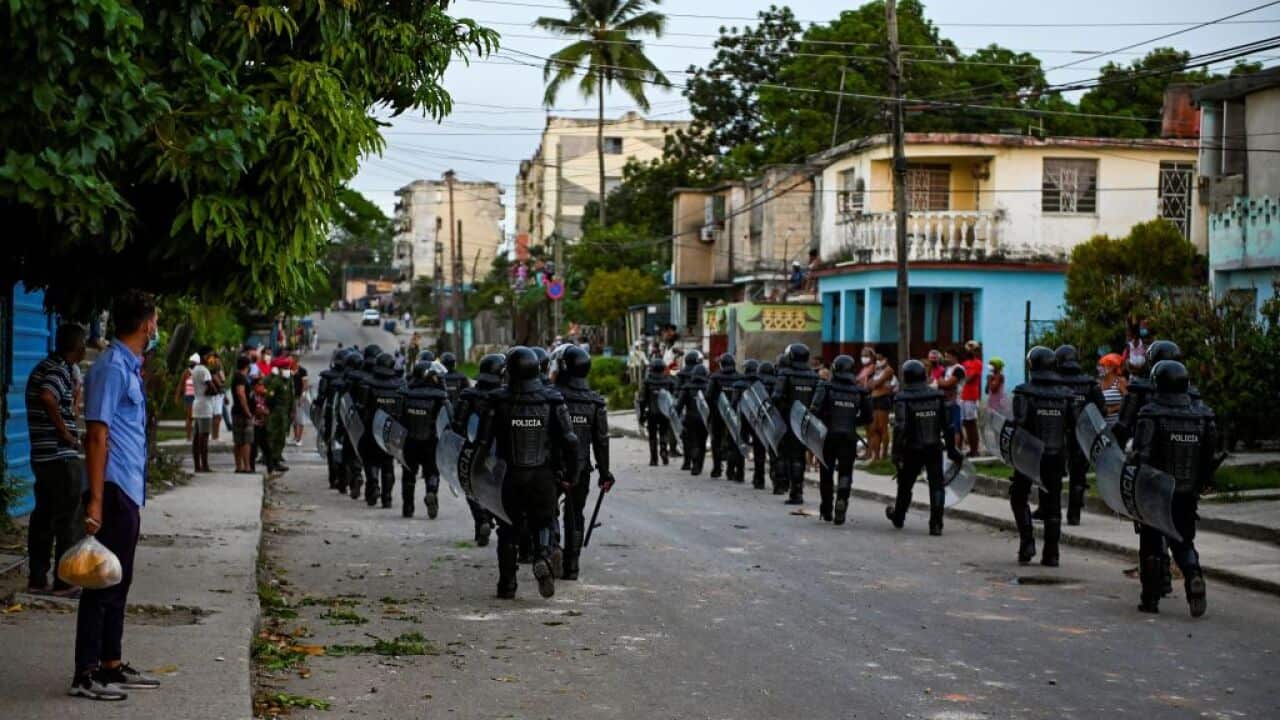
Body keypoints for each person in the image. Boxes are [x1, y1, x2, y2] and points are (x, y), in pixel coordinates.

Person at [73, 290, 163, 701]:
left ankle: (111, 664)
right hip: (109, 487)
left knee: (118, 578)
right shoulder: (110, 368)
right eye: (156, 321)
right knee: (100, 582)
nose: (156, 328)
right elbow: (96, 435)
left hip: (126, 487)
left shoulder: (128, 367)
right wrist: (94, 499)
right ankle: (86, 674)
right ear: (146, 324)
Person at [473, 347, 578, 599]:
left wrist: (476, 474)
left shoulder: (497, 400)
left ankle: (507, 585)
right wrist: (571, 475)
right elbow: (570, 440)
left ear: (508, 370)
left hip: (509, 476)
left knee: (508, 528)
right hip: (542, 476)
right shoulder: (553, 399)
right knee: (543, 520)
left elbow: (482, 442)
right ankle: (542, 556)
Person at [1133, 360, 1217, 617]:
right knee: (1183, 540)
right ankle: (1193, 576)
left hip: (1155, 490)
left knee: (1151, 542)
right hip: (1186, 492)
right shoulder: (1203, 416)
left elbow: (1142, 455)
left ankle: (1151, 598)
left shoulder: (1151, 413)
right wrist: (1202, 482)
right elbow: (1208, 458)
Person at [26, 322, 88, 598]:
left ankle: (38, 579)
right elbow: (47, 397)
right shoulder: (57, 369)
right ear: (78, 346)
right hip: (60, 456)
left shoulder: (46, 367)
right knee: (68, 520)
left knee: (44, 518)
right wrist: (66, 434)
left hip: (43, 456)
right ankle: (64, 581)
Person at [1009, 347, 1074, 567]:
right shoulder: (1067, 395)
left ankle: (1027, 543)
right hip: (1056, 455)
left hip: (1029, 454)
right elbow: (1075, 427)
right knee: (1053, 503)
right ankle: (1052, 553)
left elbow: (1019, 422)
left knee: (1019, 497)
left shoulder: (1024, 392)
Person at [552, 346, 613, 580]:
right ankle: (572, 566)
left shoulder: (553, 396)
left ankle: (553, 548)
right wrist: (605, 472)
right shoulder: (595, 402)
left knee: (548, 511)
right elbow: (601, 441)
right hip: (581, 467)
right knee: (575, 513)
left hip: (553, 466)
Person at [886, 359, 964, 535]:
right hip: (934, 447)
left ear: (906, 377)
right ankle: (936, 523)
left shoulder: (902, 398)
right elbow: (948, 426)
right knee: (937, 485)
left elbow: (900, 427)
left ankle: (899, 516)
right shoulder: (937, 396)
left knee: (905, 484)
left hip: (912, 449)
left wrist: (896, 453)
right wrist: (952, 449)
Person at [452, 353, 507, 546]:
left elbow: (456, 424)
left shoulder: (468, 395)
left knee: (471, 488)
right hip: (498, 454)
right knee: (495, 489)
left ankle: (481, 520)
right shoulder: (505, 397)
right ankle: (493, 518)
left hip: (471, 450)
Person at [810, 355, 870, 525]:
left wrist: (825, 419)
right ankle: (842, 500)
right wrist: (852, 422)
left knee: (826, 472)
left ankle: (827, 508)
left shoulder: (825, 387)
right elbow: (868, 416)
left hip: (828, 436)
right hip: (849, 437)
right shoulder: (860, 392)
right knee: (845, 472)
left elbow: (814, 410)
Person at [1054, 345, 1105, 526]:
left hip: (1057, 434)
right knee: (1078, 475)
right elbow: (1101, 408)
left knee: (1053, 473)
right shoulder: (1089, 383)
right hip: (1083, 435)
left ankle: (1051, 511)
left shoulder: (1055, 382)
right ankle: (1074, 515)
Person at [398, 359, 449, 518]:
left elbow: (398, 418)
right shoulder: (440, 396)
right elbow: (449, 419)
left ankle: (408, 508)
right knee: (432, 472)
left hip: (410, 442)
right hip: (431, 442)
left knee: (408, 474)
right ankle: (432, 491)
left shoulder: (405, 394)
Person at [772, 343, 819, 505]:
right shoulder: (814, 376)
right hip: (805, 422)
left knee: (782, 453)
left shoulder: (785, 374)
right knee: (799, 456)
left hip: (786, 420)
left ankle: (781, 484)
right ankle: (797, 491)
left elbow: (776, 396)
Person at [362, 353, 402, 507]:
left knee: (371, 461)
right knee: (387, 463)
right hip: (390, 432)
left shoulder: (367, 384)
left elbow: (361, 408)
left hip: (370, 430)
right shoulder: (399, 385)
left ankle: (372, 486)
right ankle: (387, 498)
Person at [734, 359, 767, 489]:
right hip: (758, 420)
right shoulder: (762, 383)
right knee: (760, 449)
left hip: (744, 418)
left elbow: (734, 402)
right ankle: (760, 478)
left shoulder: (739, 384)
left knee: (742, 444)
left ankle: (740, 473)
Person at [706, 353, 739, 478]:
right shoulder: (739, 377)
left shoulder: (715, 377)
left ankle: (717, 468)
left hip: (717, 414)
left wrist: (713, 408)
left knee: (716, 440)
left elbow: (708, 396)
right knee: (732, 441)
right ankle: (731, 471)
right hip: (734, 415)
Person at [638, 358, 674, 466]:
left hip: (651, 413)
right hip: (664, 412)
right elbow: (673, 397)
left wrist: (641, 414)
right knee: (664, 432)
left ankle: (653, 459)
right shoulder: (669, 381)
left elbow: (642, 399)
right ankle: (663, 450)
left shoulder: (647, 381)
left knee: (652, 436)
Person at [677, 365, 711, 475]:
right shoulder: (708, 387)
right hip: (704, 419)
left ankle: (693, 462)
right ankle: (698, 465)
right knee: (702, 442)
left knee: (691, 441)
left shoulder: (687, 387)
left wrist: (676, 416)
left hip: (690, 419)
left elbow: (680, 405)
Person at [760, 357, 784, 493]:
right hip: (785, 421)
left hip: (767, 420)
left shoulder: (782, 380)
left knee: (770, 452)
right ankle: (787, 484)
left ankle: (763, 479)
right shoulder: (778, 381)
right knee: (784, 454)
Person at [264, 362, 293, 474]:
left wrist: (291, 410)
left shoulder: (288, 381)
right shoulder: (276, 382)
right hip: (276, 413)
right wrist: (273, 409)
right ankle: (271, 460)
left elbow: (291, 396)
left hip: (285, 413)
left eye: (288, 368)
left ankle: (276, 459)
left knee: (282, 437)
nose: (287, 370)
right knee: (273, 436)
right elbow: (268, 397)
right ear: (280, 370)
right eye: (285, 368)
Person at [189, 350, 215, 473]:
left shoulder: (195, 370)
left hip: (197, 403)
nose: (212, 359)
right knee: (203, 437)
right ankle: (205, 465)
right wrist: (216, 389)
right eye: (210, 356)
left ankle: (197, 466)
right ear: (205, 357)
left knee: (196, 437)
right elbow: (210, 387)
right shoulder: (205, 371)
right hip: (205, 406)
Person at [867, 353, 895, 462]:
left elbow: (876, 384)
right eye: (876, 359)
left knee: (882, 428)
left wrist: (874, 384)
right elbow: (869, 385)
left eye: (880, 358)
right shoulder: (875, 370)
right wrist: (873, 383)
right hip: (874, 400)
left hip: (883, 400)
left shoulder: (888, 370)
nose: (878, 361)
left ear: (885, 359)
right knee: (873, 428)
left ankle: (884, 455)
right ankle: (876, 456)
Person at [938, 348, 966, 450]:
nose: (946, 359)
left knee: (956, 428)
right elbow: (940, 382)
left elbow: (948, 384)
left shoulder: (958, 369)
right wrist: (942, 383)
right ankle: (952, 448)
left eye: (947, 356)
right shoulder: (946, 369)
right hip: (947, 401)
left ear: (954, 357)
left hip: (957, 402)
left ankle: (956, 449)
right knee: (948, 427)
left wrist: (942, 383)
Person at [231, 355, 254, 473]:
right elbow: (241, 394)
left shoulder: (236, 376)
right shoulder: (241, 378)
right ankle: (246, 466)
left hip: (237, 411)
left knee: (238, 440)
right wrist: (247, 411)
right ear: (247, 366)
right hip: (242, 412)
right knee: (246, 440)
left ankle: (239, 466)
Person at [961, 343, 984, 457]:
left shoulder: (978, 363)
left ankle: (975, 449)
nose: (970, 352)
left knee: (972, 423)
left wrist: (960, 378)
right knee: (966, 423)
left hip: (971, 396)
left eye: (973, 350)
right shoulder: (964, 364)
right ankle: (971, 448)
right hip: (963, 396)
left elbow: (969, 379)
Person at [1099, 353, 1127, 426]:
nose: (1100, 368)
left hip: (1117, 426)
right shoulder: (1098, 384)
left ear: (1112, 367)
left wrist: (1112, 409)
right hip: (1102, 428)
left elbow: (1129, 402)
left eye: (1103, 365)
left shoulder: (1120, 381)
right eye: (1100, 366)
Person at [175, 353, 197, 442]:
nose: (192, 363)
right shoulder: (186, 372)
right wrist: (177, 397)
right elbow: (180, 385)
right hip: (188, 396)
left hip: (197, 397)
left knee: (196, 417)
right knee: (190, 416)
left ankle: (195, 436)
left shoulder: (198, 372)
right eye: (191, 361)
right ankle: (188, 436)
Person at [291, 358, 309, 446]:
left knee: (300, 418)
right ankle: (295, 436)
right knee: (294, 418)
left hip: (299, 397)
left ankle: (299, 438)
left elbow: (305, 385)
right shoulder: (289, 370)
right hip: (291, 397)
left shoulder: (303, 371)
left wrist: (302, 397)